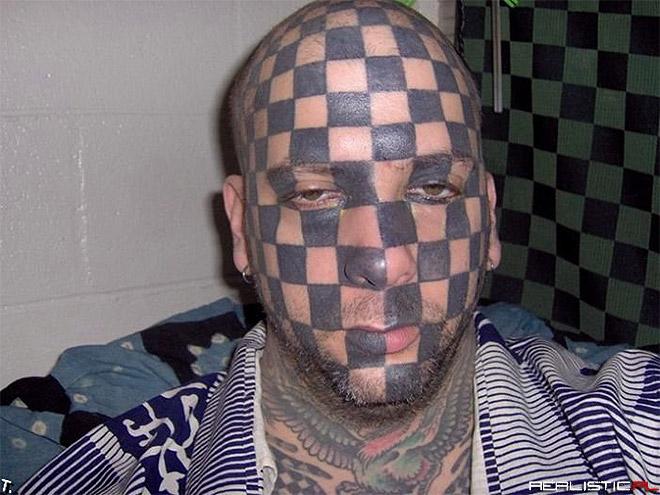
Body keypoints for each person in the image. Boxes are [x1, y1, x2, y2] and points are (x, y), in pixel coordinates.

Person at [19, 1, 659, 494]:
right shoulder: (117, 473)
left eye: (433, 189)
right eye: (314, 195)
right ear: (242, 231)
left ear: (488, 220)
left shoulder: (632, 426)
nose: (385, 261)